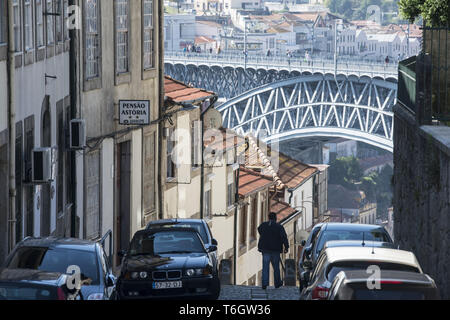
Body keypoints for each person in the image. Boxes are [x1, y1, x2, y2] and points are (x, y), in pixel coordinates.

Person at [257, 212, 289, 289]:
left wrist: (265, 236)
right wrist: (286, 247)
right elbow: (284, 237)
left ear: (268, 218)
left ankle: (264, 283)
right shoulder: (279, 227)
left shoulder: (263, 225)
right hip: (275, 249)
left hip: (265, 249)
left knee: (265, 266)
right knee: (276, 267)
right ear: (275, 218)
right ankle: (277, 283)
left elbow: (259, 229)